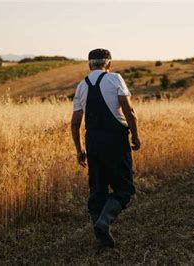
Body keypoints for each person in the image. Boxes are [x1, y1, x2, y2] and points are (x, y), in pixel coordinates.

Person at [70, 48, 141, 248]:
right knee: (124, 189)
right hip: (116, 141)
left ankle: (100, 234)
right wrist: (135, 135)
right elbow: (129, 111)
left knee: (98, 190)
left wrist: (79, 149)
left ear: (89, 65)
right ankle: (103, 223)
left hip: (93, 142)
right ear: (108, 64)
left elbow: (75, 123)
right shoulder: (115, 79)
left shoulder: (81, 86)